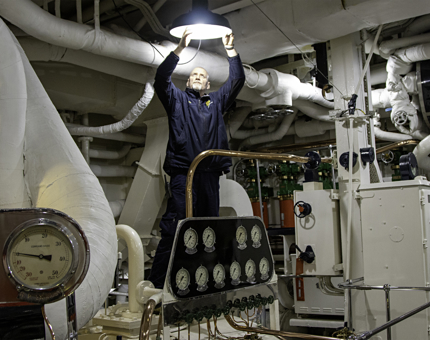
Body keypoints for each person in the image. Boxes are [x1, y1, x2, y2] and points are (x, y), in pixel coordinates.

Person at [147, 30, 245, 288]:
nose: (197, 77)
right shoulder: (176, 100)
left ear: (208, 84)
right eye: (193, 75)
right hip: (184, 177)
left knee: (207, 231)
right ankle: (156, 288)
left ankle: (202, 286)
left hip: (210, 178)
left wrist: (231, 51)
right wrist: (179, 49)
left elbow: (237, 80)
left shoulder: (217, 101)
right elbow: (161, 78)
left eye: (201, 75)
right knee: (176, 230)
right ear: (188, 82)